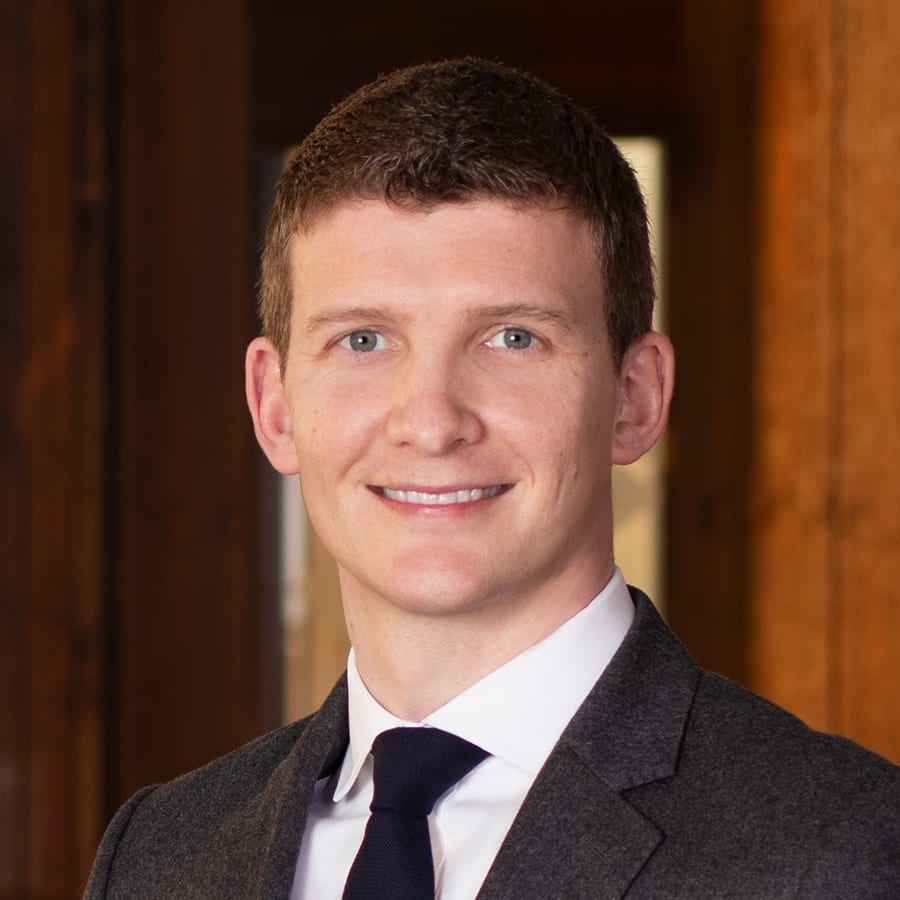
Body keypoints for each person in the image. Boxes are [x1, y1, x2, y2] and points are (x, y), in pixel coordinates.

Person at [84, 58, 899, 899]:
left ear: (635, 397)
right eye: (363, 340)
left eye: (513, 338)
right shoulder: (158, 857)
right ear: (275, 404)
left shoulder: (845, 852)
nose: (432, 422)